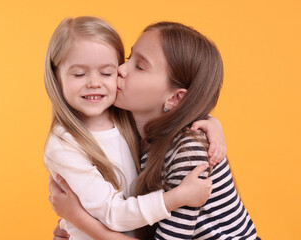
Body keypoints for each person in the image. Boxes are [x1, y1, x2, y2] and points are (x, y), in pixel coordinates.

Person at [49, 21, 259, 239]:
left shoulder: (188, 154)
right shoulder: (139, 131)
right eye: (129, 58)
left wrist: (78, 218)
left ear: (175, 97)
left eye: (139, 66)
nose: (119, 69)